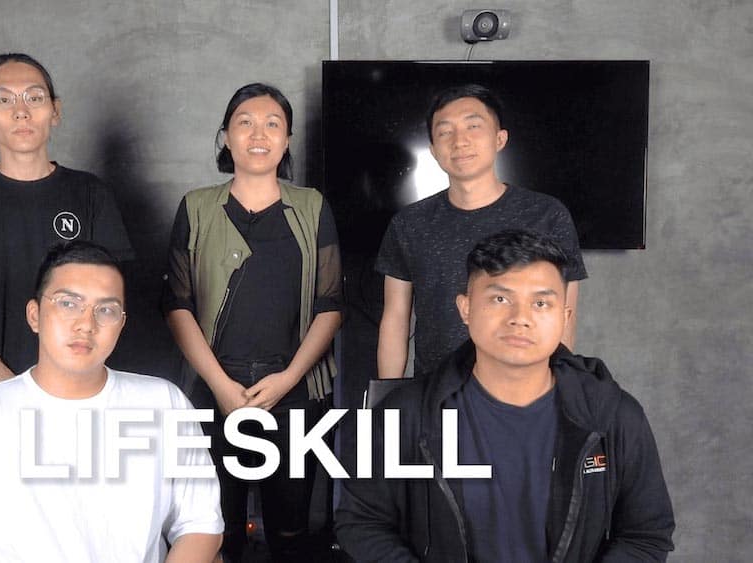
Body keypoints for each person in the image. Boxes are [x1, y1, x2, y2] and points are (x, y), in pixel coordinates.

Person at [336, 230, 674, 561]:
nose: (520, 319)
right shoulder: (404, 415)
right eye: (500, 299)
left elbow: (646, 536)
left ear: (564, 317)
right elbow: (362, 523)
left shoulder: (611, 415)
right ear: (466, 308)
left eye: (540, 303)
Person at [0, 241, 222, 562]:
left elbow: (201, 524)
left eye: (106, 310)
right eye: (68, 304)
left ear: (121, 324)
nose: (86, 324)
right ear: (34, 315)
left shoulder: (164, 403)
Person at [163, 83, 342, 561]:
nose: (258, 134)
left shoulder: (312, 206)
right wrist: (221, 386)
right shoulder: (196, 206)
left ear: (286, 141)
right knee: (214, 528)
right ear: (226, 136)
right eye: (245, 122)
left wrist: (288, 379)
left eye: (272, 124)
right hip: (212, 389)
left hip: (295, 390)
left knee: (292, 530)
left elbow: (330, 305)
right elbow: (177, 304)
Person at [0, 53, 134, 394]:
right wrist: (9, 389)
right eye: (3, 99)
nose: (21, 111)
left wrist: (62, 389)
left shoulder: (91, 193)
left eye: (35, 97)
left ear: (55, 110)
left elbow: (106, 303)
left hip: (76, 391)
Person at [376, 84, 587, 379]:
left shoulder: (547, 215)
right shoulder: (409, 223)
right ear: (434, 150)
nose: (460, 141)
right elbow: (395, 319)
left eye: (473, 126)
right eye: (445, 132)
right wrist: (388, 394)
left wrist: (555, 389)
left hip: (521, 389)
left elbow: (563, 315)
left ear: (500, 138)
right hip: (434, 390)